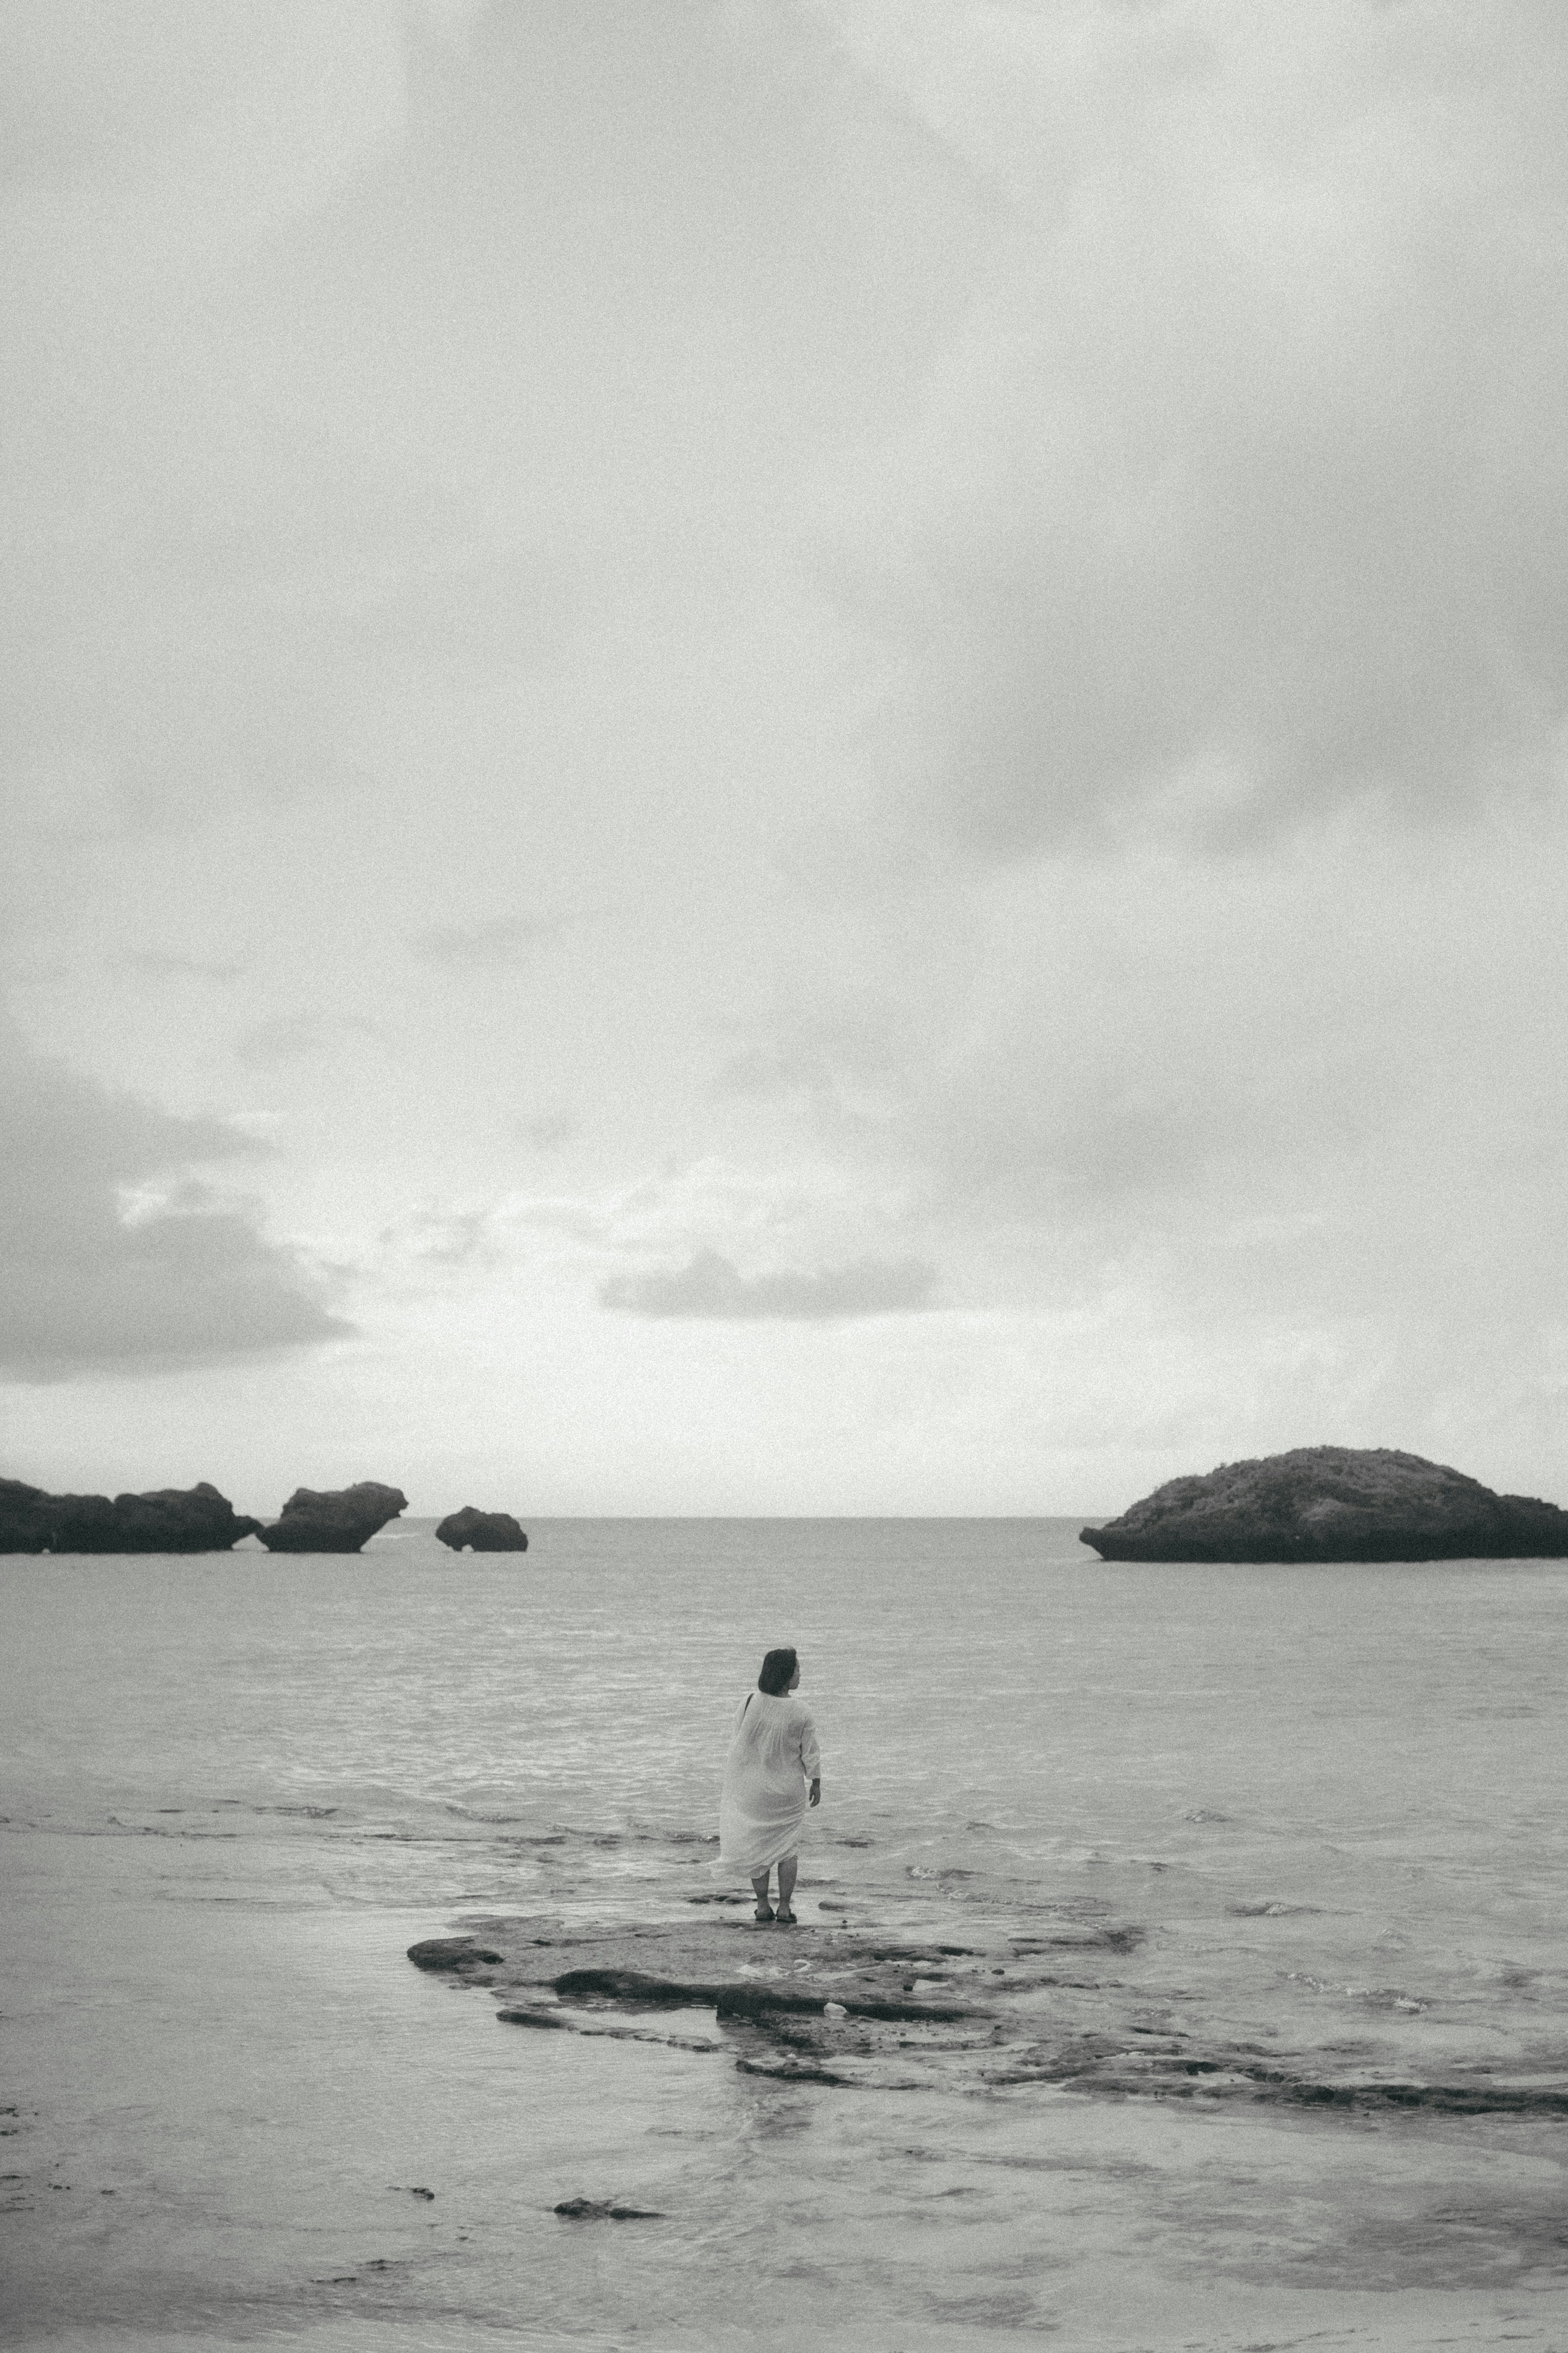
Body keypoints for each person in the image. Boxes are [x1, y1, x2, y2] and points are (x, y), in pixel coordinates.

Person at [717, 1645, 821, 1924]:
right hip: (788, 1790)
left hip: (754, 1789)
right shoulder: (802, 1711)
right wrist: (817, 1780)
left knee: (758, 1845)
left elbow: (738, 1744)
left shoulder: (750, 1702)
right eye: (797, 1669)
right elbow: (809, 1751)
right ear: (786, 1675)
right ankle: (785, 1908)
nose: (801, 1673)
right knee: (788, 1849)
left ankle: (763, 1907)